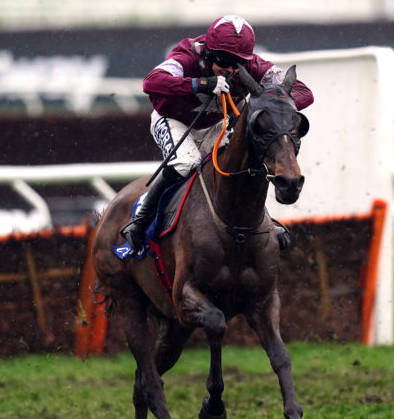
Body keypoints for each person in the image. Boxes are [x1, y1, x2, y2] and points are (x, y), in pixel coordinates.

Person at [120, 14, 314, 253]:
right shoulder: (188, 54)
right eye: (223, 60)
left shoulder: (254, 66)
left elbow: (305, 93)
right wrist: (202, 84)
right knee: (186, 163)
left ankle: (264, 218)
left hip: (216, 124)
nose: (231, 69)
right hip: (173, 120)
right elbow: (151, 82)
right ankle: (139, 220)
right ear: (209, 52)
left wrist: (268, 101)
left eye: (238, 63)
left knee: (238, 163)